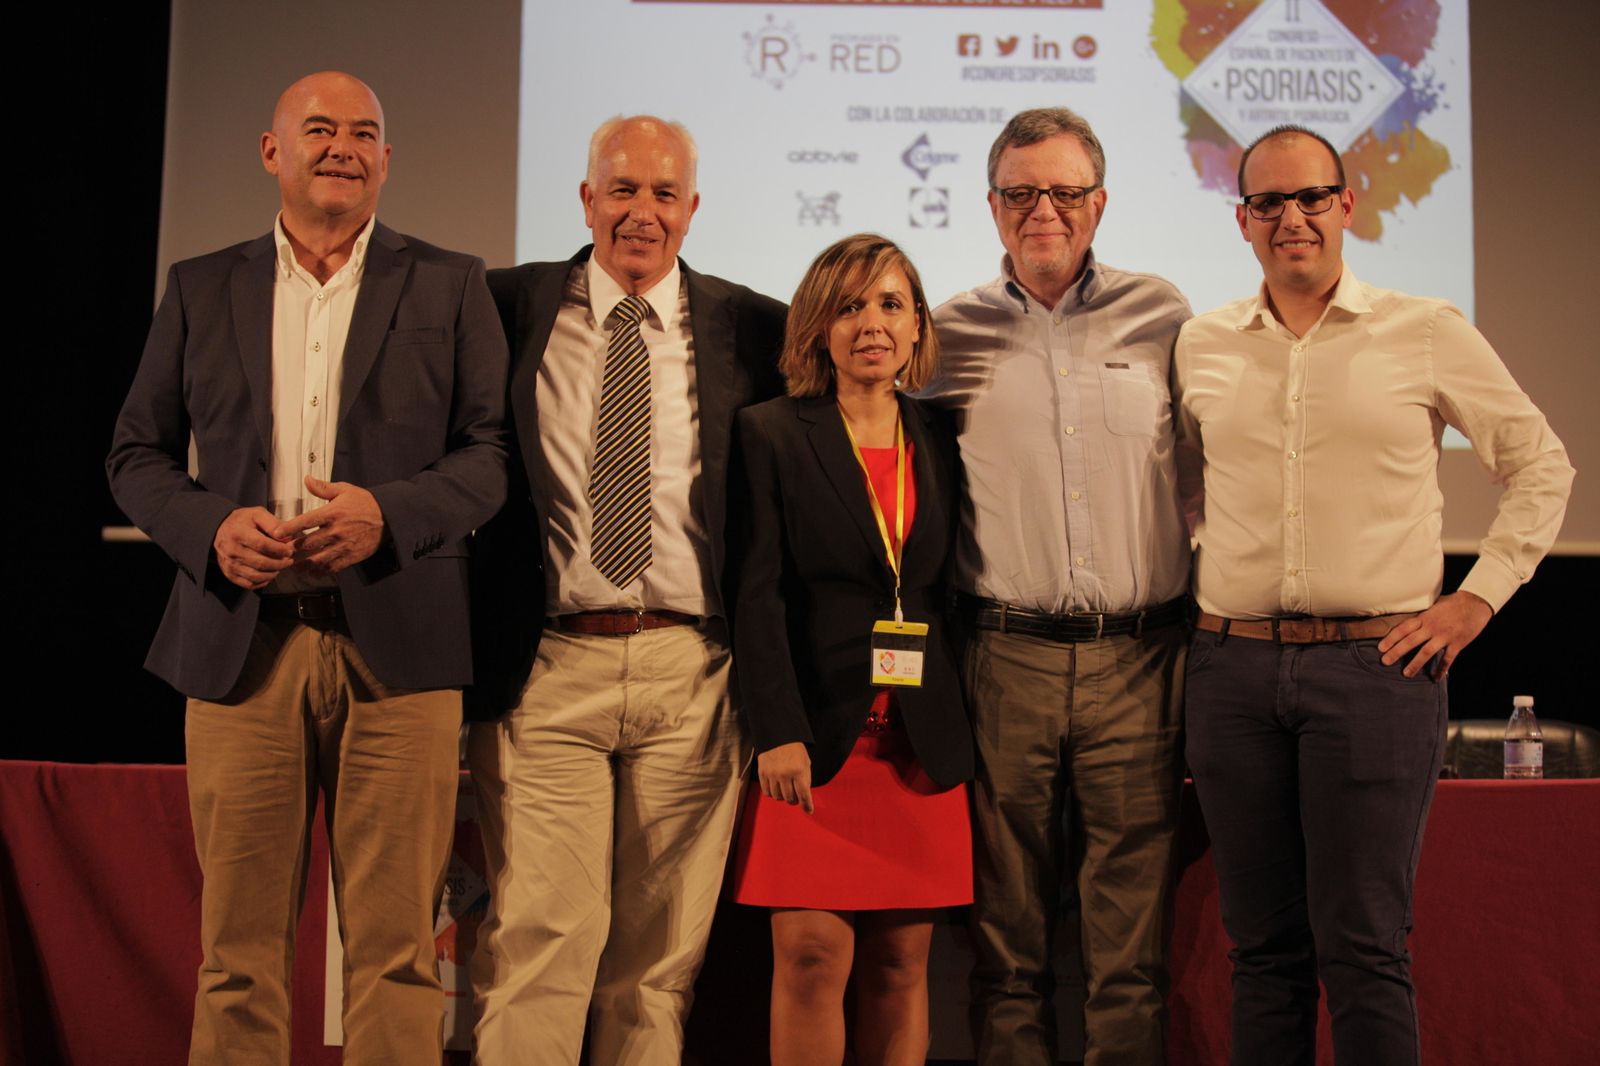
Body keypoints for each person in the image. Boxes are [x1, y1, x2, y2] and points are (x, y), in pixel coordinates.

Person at [105, 71, 508, 1064]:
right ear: (270, 151)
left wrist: (391, 513)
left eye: (363, 132)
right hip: (243, 646)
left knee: (400, 951)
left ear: (385, 159)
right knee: (236, 954)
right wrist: (205, 529)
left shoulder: (451, 281)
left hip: (399, 652)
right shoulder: (202, 285)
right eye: (318, 129)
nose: (341, 147)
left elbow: (492, 454)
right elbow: (134, 455)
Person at [1174, 124, 1574, 1065]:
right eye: (1269, 203)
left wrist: (1476, 602)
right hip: (1231, 670)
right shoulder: (1202, 343)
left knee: (1362, 948)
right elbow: (1183, 490)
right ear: (1242, 221)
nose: (1293, 219)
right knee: (1262, 951)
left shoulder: (1425, 329)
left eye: (1312, 197)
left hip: (1376, 672)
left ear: (1348, 205)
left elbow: (1541, 466)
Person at [466, 115, 787, 1066]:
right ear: (585, 199)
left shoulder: (756, 328)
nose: (640, 214)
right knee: (539, 942)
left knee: (656, 972)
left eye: (662, 194)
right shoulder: (503, 308)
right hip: (548, 665)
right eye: (622, 190)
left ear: (692, 209)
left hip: (693, 671)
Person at [920, 107, 1193, 1066]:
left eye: (1066, 191)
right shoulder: (939, 336)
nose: (1046, 209)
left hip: (1141, 659)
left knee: (1130, 949)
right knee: (1007, 941)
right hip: (1002, 660)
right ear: (992, 207)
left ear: (1100, 202)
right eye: (1023, 192)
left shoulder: (1164, 317)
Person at [727, 234, 974, 1066]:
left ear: (917, 329)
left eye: (891, 304)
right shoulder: (769, 433)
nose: (872, 322)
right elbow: (754, 596)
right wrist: (775, 728)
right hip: (814, 741)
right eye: (850, 304)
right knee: (809, 958)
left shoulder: (942, 434)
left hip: (919, 742)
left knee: (903, 966)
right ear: (819, 327)